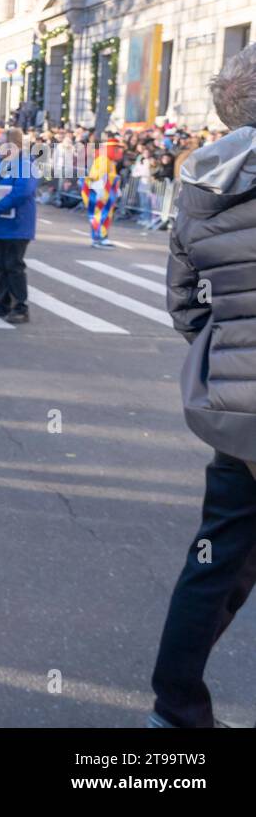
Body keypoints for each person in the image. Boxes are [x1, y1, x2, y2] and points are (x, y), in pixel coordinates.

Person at [151, 43, 256, 728]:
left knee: (215, 560)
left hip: (238, 410)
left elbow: (186, 305)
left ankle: (176, 706)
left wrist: (232, 355)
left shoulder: (201, 183)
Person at [0, 127, 38, 324]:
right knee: (1, 265)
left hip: (16, 225)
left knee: (14, 266)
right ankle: (3, 302)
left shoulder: (25, 165)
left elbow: (21, 192)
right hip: (0, 224)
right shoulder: (1, 164)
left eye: (0, 141)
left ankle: (21, 306)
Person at [82, 134, 124, 247]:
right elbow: (98, 176)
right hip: (100, 192)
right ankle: (97, 238)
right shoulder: (104, 159)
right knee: (99, 215)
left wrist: (115, 186)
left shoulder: (109, 160)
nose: (119, 151)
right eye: (116, 148)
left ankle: (102, 237)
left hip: (105, 192)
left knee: (105, 215)